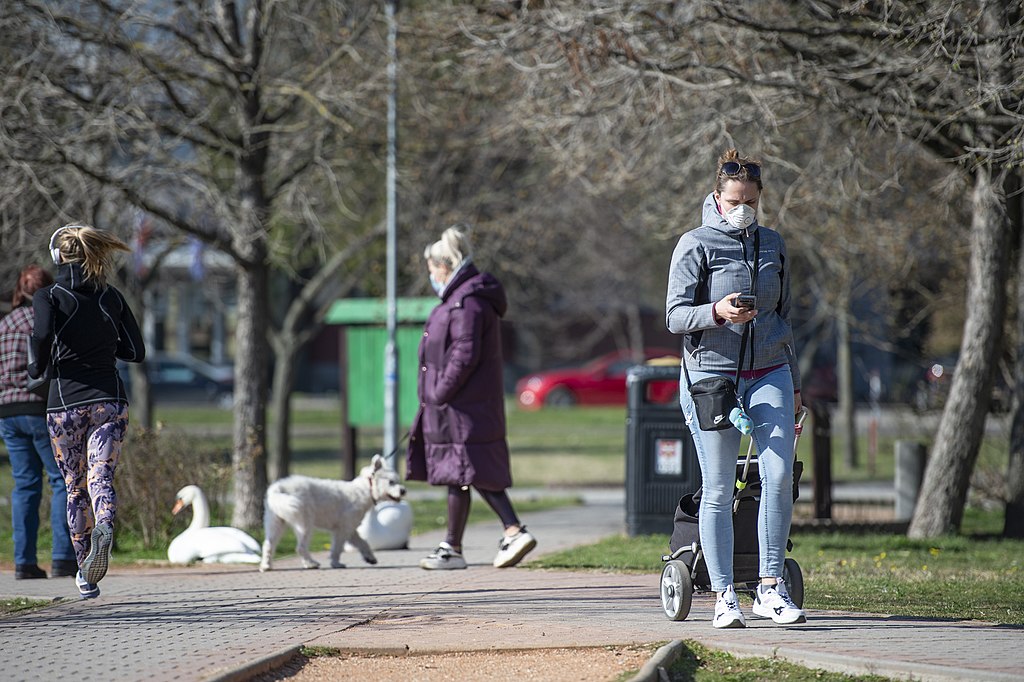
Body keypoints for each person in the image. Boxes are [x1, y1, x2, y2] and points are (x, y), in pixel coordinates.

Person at [665, 150, 805, 628]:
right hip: (711, 378)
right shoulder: (695, 244)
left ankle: (770, 587)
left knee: (779, 473)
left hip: (770, 371)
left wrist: (797, 386)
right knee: (721, 487)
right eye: (733, 200)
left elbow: (784, 319)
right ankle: (724, 595)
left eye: (750, 200)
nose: (742, 208)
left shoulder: (773, 245)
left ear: (761, 198)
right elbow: (674, 316)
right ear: (716, 198)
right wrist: (717, 311)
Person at [407, 225, 537, 570]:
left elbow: (465, 353)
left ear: (445, 266)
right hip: (458, 406)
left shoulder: (467, 302)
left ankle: (513, 530)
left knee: (471, 469)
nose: (431, 276)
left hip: (463, 406)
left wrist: (438, 391)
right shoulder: (461, 299)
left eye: (432, 269)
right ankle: (452, 547)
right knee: (459, 472)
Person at [29, 224, 146, 598]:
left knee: (74, 488)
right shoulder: (110, 296)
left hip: (64, 405)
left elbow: (43, 337)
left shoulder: (49, 296)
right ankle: (106, 523)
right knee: (101, 476)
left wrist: (37, 368)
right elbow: (135, 351)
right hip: (110, 401)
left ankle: (85, 572)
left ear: (57, 256)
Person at [0, 265, 77, 580]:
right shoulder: (43, 320)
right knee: (59, 481)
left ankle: (24, 562)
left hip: (7, 413)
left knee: (25, 486)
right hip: (40, 408)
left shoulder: (4, 324)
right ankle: (62, 557)